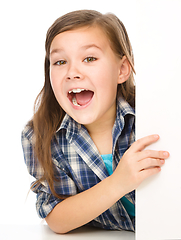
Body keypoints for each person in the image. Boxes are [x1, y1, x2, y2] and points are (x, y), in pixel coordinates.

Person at [21, 10, 169, 234]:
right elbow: (57, 219)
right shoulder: (40, 135)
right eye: (60, 61)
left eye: (89, 58)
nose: (72, 72)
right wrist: (118, 183)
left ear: (121, 70)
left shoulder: (157, 116)